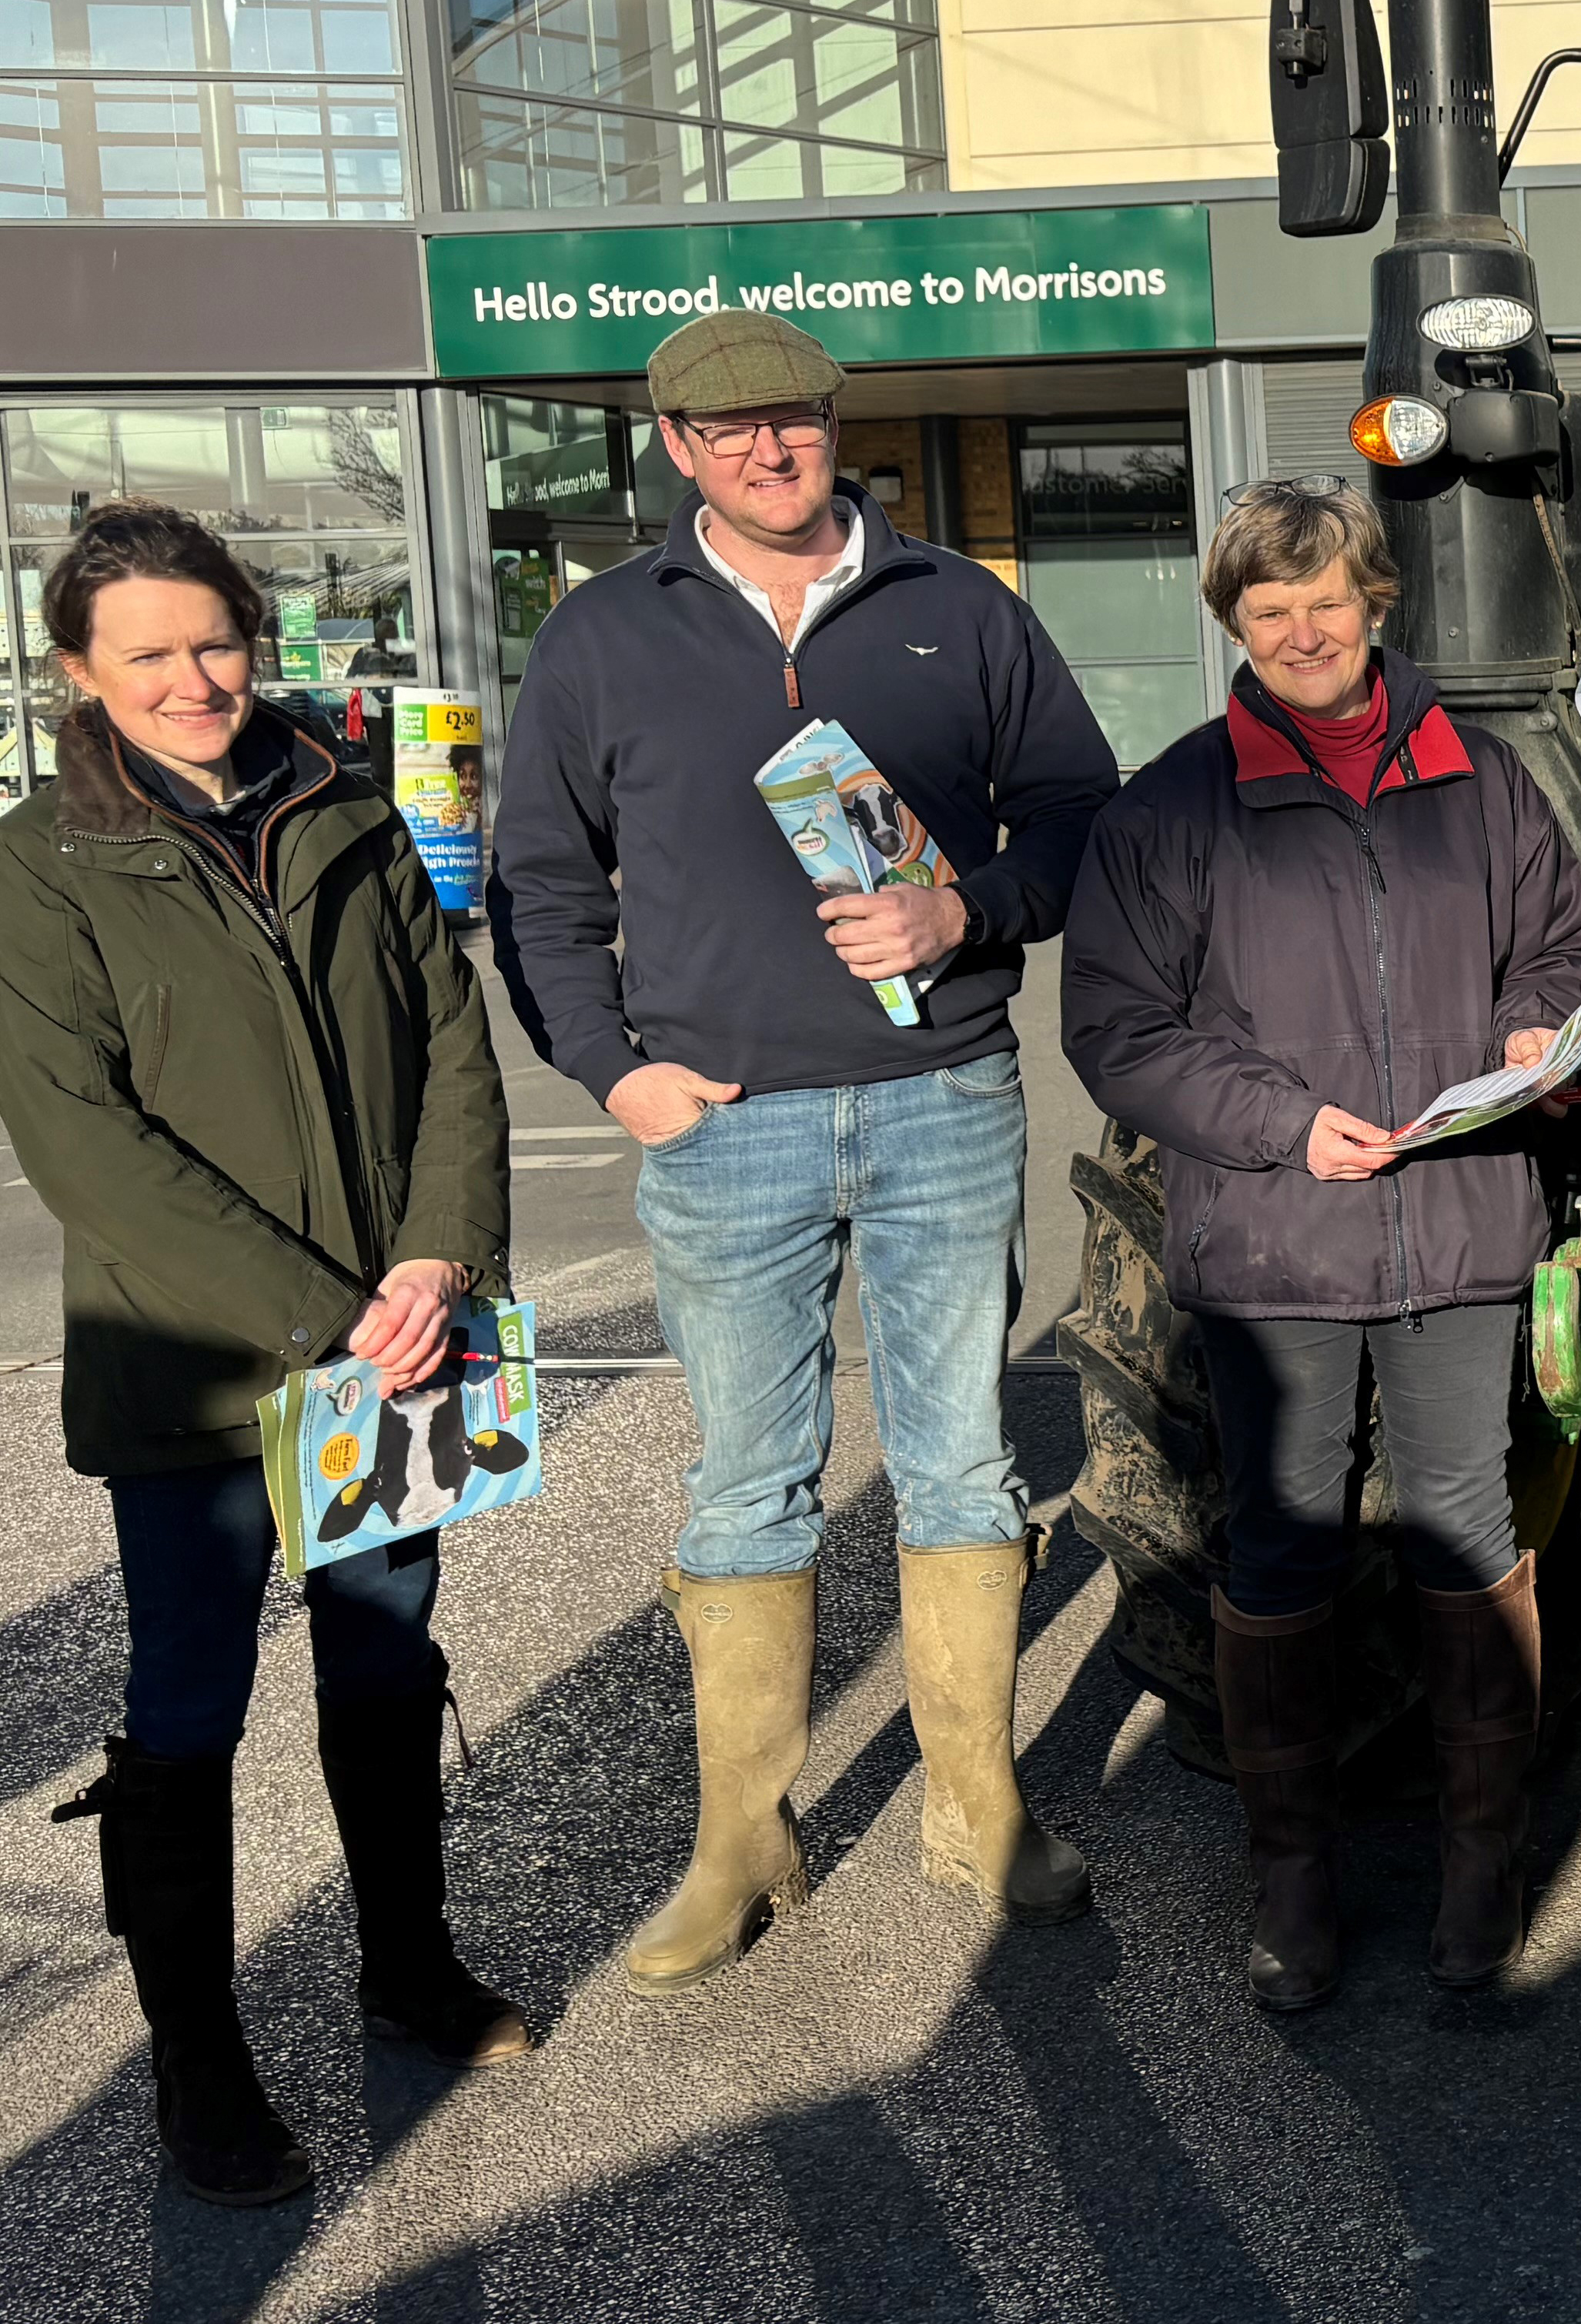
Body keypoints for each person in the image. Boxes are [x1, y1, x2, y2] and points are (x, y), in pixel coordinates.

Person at [489, 311, 1121, 1991]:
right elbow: (539, 889)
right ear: (678, 451)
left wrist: (962, 902)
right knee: (746, 1482)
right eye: (733, 432)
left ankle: (975, 1805)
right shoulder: (606, 638)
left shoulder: (956, 610)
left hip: (942, 1100)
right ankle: (742, 1840)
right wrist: (612, 1074)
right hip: (726, 1125)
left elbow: (1077, 817)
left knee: (964, 1459)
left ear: (831, 428)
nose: (774, 451)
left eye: (797, 423)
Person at [1, 500, 529, 2206]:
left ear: (258, 634)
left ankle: (409, 1967)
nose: (192, 678)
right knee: (188, 1702)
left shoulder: (346, 800)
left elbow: (450, 1037)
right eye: (145, 653)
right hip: (200, 1368)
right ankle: (202, 2067)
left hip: (393, 1336)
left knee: (383, 1663)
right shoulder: (36, 865)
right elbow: (86, 1144)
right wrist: (327, 1317)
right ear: (78, 672)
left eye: (214, 639)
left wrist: (438, 1256)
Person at [1062, 478, 1581, 2008]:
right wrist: (1281, 1120)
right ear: (1235, 623)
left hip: (1455, 1217)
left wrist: (1534, 1016)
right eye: (1269, 609)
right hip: (1277, 1232)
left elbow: (1559, 938)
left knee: (1462, 1522)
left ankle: (1478, 1862)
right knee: (1284, 1538)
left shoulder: (1485, 784)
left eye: (1328, 600)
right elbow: (1118, 1029)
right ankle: (1292, 1877)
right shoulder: (1173, 808)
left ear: (1377, 600)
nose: (1304, 632)